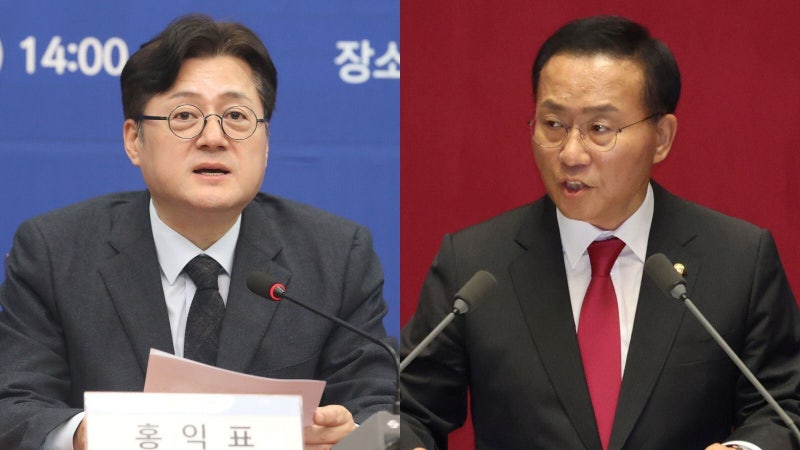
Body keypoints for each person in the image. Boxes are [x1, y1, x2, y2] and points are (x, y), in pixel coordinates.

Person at [400, 15, 800, 450]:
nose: (571, 154)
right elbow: (408, 408)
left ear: (661, 137)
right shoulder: (475, 264)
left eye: (599, 129)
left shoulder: (738, 260)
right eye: (553, 124)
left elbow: (783, 406)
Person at [0, 14, 396, 450]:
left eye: (236, 116)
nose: (213, 137)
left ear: (266, 142)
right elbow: (14, 404)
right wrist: (81, 434)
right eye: (185, 115)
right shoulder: (55, 253)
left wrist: (350, 433)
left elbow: (376, 404)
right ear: (134, 139)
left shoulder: (336, 257)